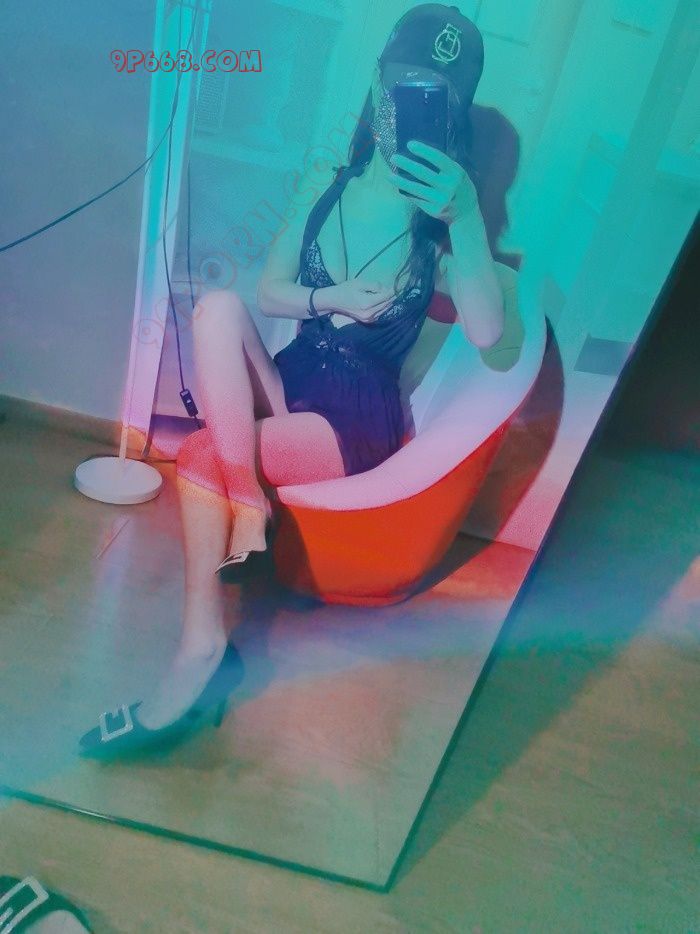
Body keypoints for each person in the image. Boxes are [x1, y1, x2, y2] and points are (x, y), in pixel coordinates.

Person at [78, 4, 505, 758]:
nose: (411, 107)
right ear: (378, 85)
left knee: (199, 454)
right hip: (292, 378)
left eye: (436, 97)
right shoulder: (327, 183)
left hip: (354, 416)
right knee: (217, 307)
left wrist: (467, 215)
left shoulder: (443, 226)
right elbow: (272, 292)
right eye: (403, 84)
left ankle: (202, 650)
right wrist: (332, 298)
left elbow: (488, 333)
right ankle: (249, 508)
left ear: (454, 115)